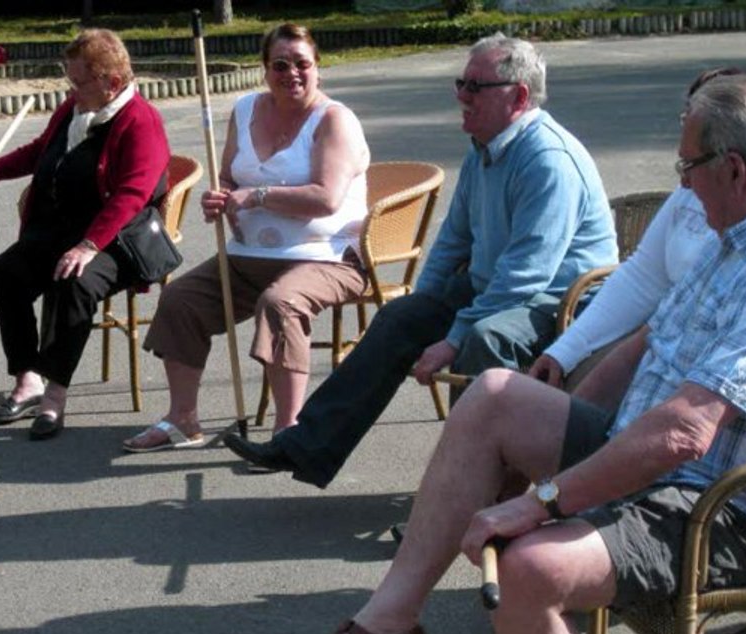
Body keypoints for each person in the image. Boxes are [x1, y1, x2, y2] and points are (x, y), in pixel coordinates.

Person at [259, 73, 746, 634]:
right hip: (651, 461)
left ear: (733, 171)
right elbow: (648, 342)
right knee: (498, 394)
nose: (681, 180)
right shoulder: (728, 241)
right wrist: (560, 396)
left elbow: (684, 435)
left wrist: (543, 499)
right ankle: (390, 627)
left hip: (713, 509)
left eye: (688, 164)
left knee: (530, 568)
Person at [224, 33, 618, 488]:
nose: (461, 96)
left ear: (519, 96)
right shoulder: (486, 146)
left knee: (485, 339)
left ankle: (465, 494)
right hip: (497, 287)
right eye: (460, 83)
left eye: (476, 87)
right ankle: (305, 444)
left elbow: (528, 273)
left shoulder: (547, 160)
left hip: (561, 297)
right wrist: (427, 303)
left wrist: (452, 339)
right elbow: (453, 241)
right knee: (401, 317)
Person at [122, 23, 371, 452]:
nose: (291, 72)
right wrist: (218, 198)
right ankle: (183, 419)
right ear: (264, 69)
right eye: (280, 64)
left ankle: (288, 431)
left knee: (280, 303)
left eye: (301, 64)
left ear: (318, 69)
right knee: (180, 300)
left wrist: (255, 197)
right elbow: (228, 176)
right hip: (246, 256)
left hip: (325, 259)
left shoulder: (334, 120)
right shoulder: (245, 110)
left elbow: (326, 199)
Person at [0, 29, 170, 440]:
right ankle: (28, 379)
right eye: (70, 81)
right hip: (63, 229)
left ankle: (55, 394)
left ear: (111, 83)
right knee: (7, 272)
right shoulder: (74, 110)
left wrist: (88, 245)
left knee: (70, 280)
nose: (71, 91)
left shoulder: (140, 121)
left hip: (117, 240)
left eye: (78, 82)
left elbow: (130, 196)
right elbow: (42, 150)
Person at [528, 67, 745, 392]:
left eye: (696, 121)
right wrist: (564, 352)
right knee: (558, 389)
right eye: (686, 115)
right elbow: (641, 277)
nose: (683, 180)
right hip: (658, 338)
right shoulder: (687, 195)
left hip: (698, 371)